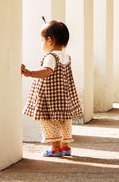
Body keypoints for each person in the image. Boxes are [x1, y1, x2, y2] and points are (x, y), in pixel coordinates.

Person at [21, 19, 82, 157]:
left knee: (50, 122)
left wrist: (30, 73)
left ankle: (55, 149)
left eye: (42, 40)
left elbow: (47, 72)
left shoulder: (50, 57)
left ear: (49, 40)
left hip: (51, 98)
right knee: (64, 121)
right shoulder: (66, 57)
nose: (41, 43)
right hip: (63, 97)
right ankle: (65, 147)